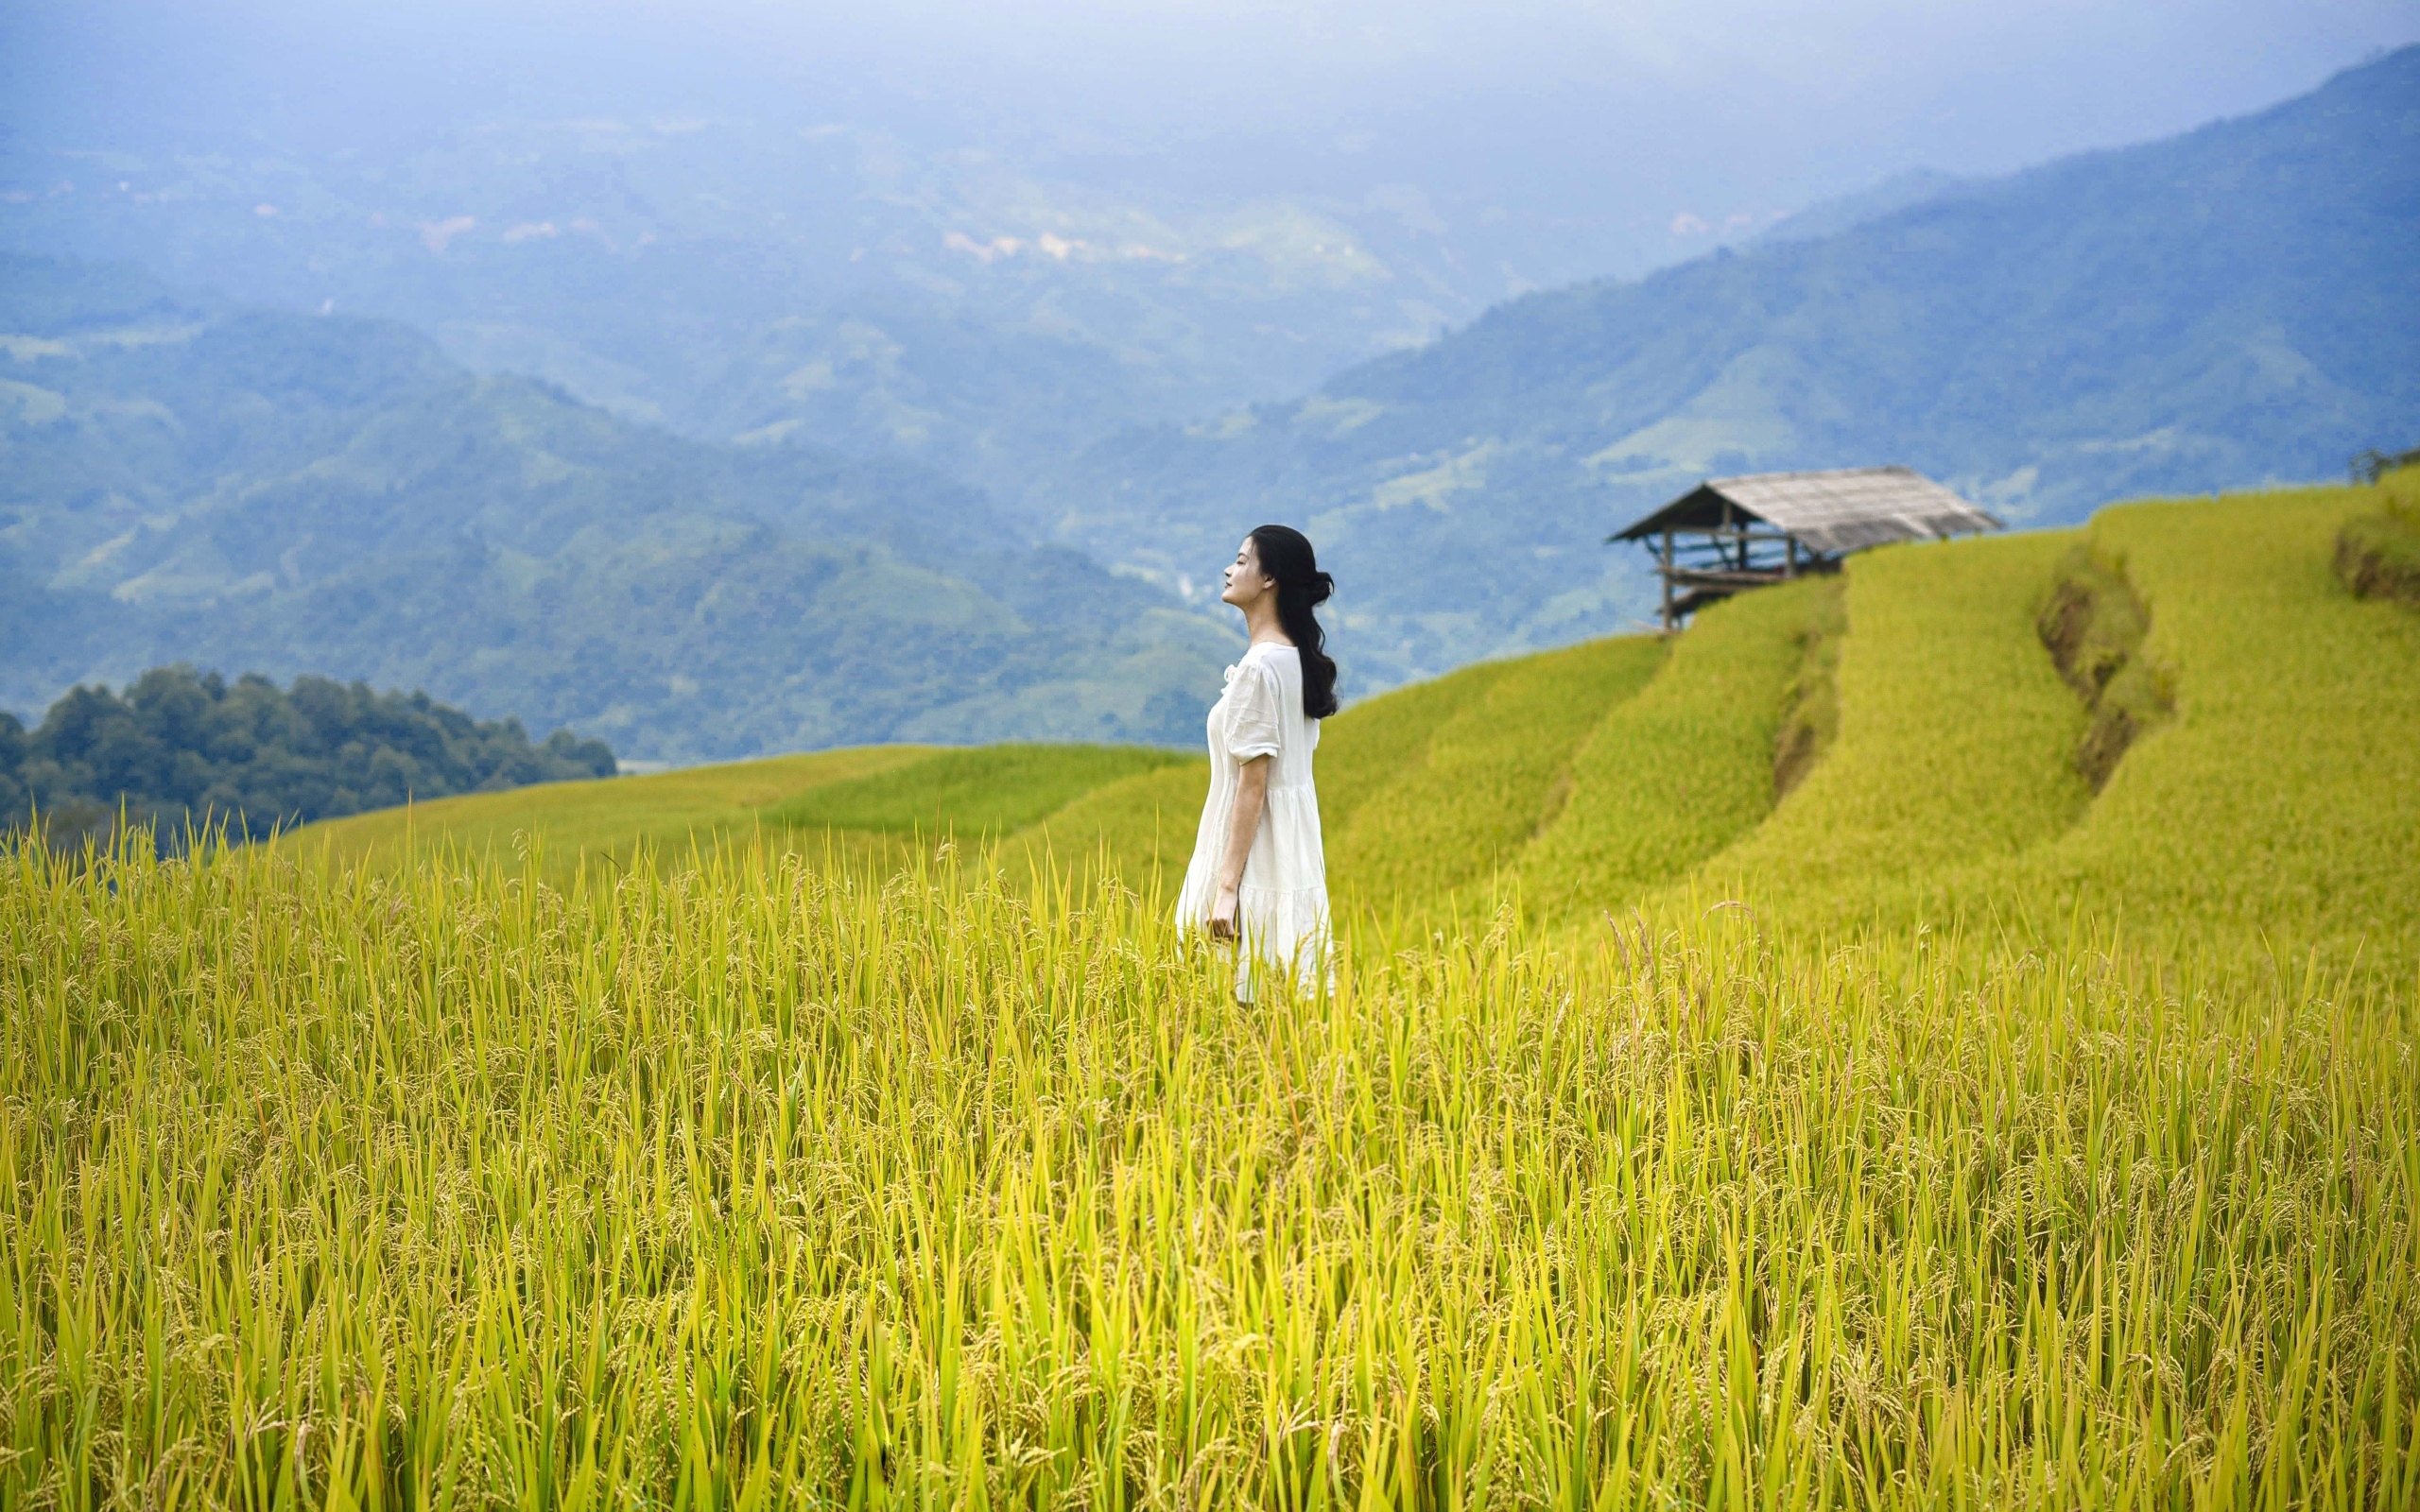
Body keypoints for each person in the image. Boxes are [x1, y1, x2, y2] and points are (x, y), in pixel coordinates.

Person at [1175, 524, 1339, 999]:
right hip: (1291, 853)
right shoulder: (1295, 660)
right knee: (1278, 1006)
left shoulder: (1259, 668)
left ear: (1270, 580)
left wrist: (1227, 888)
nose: (1230, 569)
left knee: (1231, 1003)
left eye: (1243, 561)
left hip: (1254, 857)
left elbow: (1253, 786)